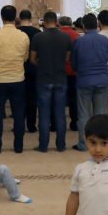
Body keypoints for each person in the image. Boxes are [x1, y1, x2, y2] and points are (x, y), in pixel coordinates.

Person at [0, 5, 30, 154]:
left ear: (2, 17)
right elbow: (25, 58)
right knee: (18, 113)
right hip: (18, 79)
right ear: (15, 16)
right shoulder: (23, 36)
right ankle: (18, 146)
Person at [30, 10, 72, 153]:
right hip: (60, 78)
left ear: (44, 22)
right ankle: (61, 145)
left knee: (44, 114)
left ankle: (43, 146)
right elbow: (67, 58)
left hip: (43, 79)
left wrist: (42, 65)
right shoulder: (66, 38)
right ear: (56, 22)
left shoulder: (38, 37)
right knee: (60, 114)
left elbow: (32, 59)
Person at [71, 13, 108, 151]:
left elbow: (74, 63)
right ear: (97, 24)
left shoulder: (79, 41)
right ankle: (101, 144)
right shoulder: (104, 40)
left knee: (83, 114)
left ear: (83, 26)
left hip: (84, 80)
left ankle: (84, 144)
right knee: (100, 114)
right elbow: (107, 57)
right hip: (101, 80)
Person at [17, 9, 41, 132]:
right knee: (32, 99)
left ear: (20, 18)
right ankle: (31, 125)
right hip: (33, 69)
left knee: (19, 99)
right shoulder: (37, 32)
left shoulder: (16, 32)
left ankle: (19, 124)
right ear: (31, 19)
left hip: (17, 69)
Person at [59, 15, 81, 132]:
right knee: (73, 99)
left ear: (59, 23)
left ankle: (58, 123)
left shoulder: (57, 35)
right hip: (73, 71)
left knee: (59, 98)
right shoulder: (77, 35)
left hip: (59, 71)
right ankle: (74, 122)